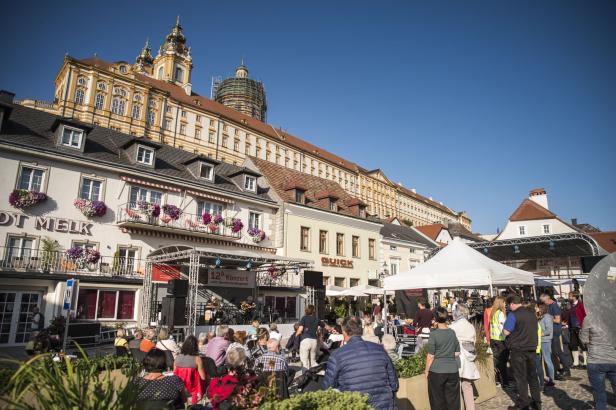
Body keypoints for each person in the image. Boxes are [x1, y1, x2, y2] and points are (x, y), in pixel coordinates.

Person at [323, 316, 398, 409]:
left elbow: (327, 388)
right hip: (384, 405)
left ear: (344, 332)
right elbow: (394, 383)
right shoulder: (380, 349)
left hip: (355, 405)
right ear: (361, 330)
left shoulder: (336, 355)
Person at [503, 295, 541, 410]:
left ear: (512, 303)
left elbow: (506, 332)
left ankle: (524, 404)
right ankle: (537, 402)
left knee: (521, 378)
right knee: (533, 376)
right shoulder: (532, 314)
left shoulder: (513, 315)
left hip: (518, 350)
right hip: (531, 348)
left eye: (509, 305)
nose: (509, 307)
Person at [425, 307, 460, 410]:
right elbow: (457, 352)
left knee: (437, 401)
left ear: (435, 319)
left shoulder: (434, 334)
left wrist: (426, 370)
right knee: (453, 401)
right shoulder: (452, 332)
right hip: (452, 370)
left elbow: (430, 356)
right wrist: (448, 355)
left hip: (437, 371)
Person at [580, 313, 616, 410]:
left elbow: (583, 339)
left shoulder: (589, 318)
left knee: (599, 395)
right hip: (613, 359)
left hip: (596, 360)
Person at [450, 304, 480, 410]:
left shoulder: (453, 326)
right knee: (467, 385)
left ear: (457, 313)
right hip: (469, 356)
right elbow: (474, 342)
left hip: (457, 357)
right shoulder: (470, 326)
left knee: (455, 386)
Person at [540, 291, 571, 378]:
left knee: (558, 351)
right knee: (554, 351)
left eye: (543, 301)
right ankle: (560, 367)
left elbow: (557, 320)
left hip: (555, 331)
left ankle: (567, 369)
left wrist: (547, 317)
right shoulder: (549, 306)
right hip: (552, 331)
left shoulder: (554, 306)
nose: (543, 303)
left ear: (547, 299)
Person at [173, 335, 207, 405]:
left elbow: (174, 373)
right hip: (193, 389)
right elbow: (203, 377)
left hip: (179, 388)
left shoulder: (177, 358)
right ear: (195, 347)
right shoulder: (197, 359)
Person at [489, 296, 510, 388]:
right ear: (501, 303)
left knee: (496, 361)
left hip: (493, 339)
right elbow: (502, 327)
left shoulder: (493, 313)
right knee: (503, 362)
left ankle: (497, 381)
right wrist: (507, 336)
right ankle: (505, 382)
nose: (505, 304)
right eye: (504, 302)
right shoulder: (500, 314)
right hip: (501, 340)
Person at [537, 304, 555, 389]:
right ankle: (541, 377)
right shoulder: (541, 316)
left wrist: (540, 334)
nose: (537, 309)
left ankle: (552, 379)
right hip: (540, 341)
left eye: (538, 308)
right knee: (539, 360)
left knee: (548, 360)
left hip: (545, 341)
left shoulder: (547, 317)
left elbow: (549, 330)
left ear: (542, 309)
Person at [568, 291, 587, 368]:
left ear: (574, 297)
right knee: (573, 345)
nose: (569, 297)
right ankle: (576, 363)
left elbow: (585, 316)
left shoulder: (581, 305)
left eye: (570, 296)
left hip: (580, 328)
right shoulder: (570, 306)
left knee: (583, 346)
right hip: (572, 328)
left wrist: (583, 326)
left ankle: (585, 363)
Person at [297, 304, 319, 372]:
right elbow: (321, 329)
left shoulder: (304, 318)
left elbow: (300, 329)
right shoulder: (316, 319)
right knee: (313, 361)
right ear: (313, 311)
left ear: (306, 310)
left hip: (305, 340)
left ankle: (305, 377)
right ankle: (315, 376)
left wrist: (296, 336)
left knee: (304, 362)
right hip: (314, 341)